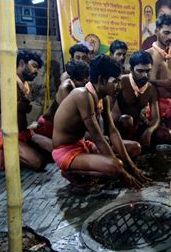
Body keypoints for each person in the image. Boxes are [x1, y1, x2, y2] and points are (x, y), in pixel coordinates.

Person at [52, 54, 150, 187]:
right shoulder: (82, 95)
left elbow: (112, 131)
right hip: (66, 151)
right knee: (116, 166)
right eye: (115, 81)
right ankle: (71, 171)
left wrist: (131, 167)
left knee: (135, 148)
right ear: (101, 80)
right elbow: (98, 138)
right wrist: (124, 174)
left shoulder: (103, 97)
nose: (119, 86)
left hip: (83, 145)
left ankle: (97, 167)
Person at [0, 50, 50, 171]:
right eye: (34, 66)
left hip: (25, 133)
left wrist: (25, 108)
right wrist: (17, 107)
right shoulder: (7, 81)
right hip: (9, 135)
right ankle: (7, 158)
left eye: (38, 68)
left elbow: (21, 109)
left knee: (55, 151)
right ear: (22, 63)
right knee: (39, 163)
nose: (36, 72)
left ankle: (22, 151)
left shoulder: (24, 83)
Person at [112, 51, 170, 147]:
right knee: (126, 120)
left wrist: (149, 131)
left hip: (138, 127)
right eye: (140, 71)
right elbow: (112, 114)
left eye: (148, 71)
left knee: (166, 134)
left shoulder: (151, 89)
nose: (145, 75)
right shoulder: (121, 82)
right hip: (119, 127)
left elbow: (156, 118)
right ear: (131, 69)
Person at [146, 14, 171, 145]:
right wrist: (163, 83)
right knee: (161, 138)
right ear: (156, 31)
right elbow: (144, 81)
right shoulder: (149, 53)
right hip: (155, 104)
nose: (170, 37)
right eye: (166, 33)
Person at [32, 61, 90, 141]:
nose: (85, 82)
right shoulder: (67, 87)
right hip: (48, 125)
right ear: (73, 78)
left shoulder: (78, 88)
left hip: (58, 127)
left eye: (86, 78)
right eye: (82, 79)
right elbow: (72, 117)